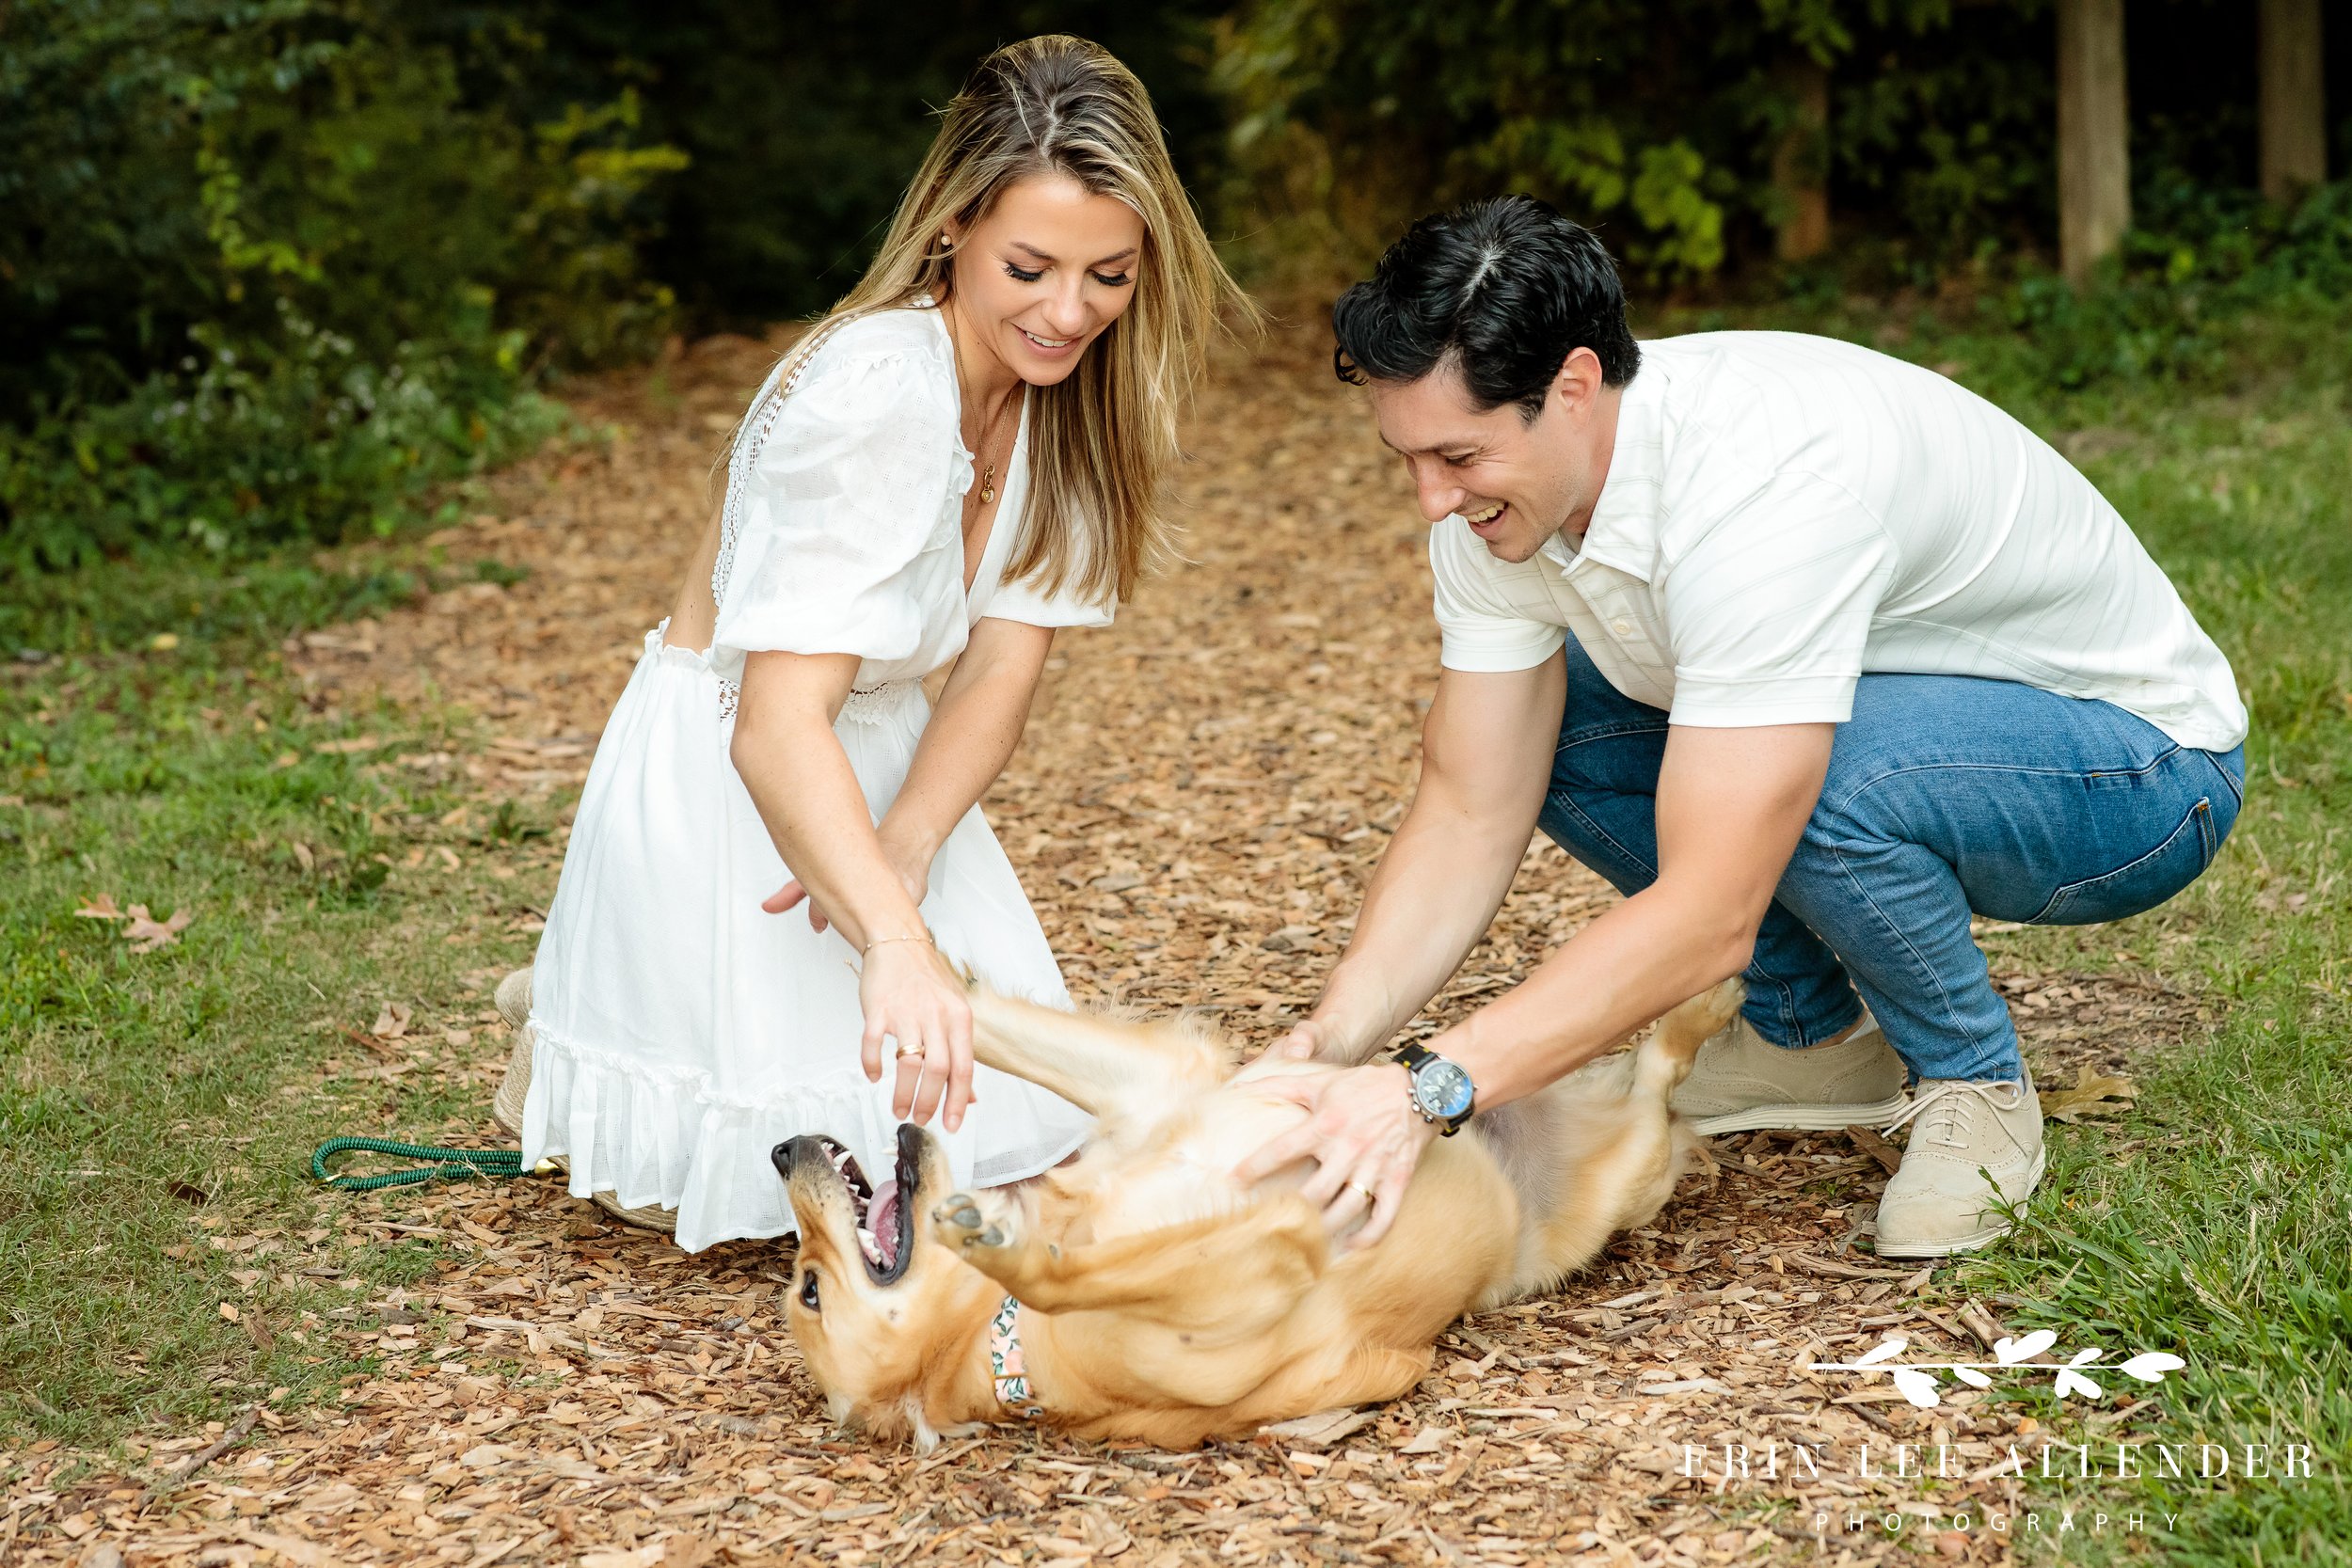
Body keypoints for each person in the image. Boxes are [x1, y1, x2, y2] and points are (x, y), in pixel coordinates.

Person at [1237, 195, 2245, 1259]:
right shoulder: (1499, 509)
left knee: (1818, 782)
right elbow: (1470, 802)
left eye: (1457, 457)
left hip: (2134, 768)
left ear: (1572, 387)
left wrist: (1429, 1087)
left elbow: (1711, 907)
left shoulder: (1759, 491)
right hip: (1909, 712)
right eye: (1408, 458)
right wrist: (1328, 1037)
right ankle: (1805, 1041)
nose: (1430, 500)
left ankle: (1973, 1081)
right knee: (1555, 731)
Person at [495, 35, 1253, 1252]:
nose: (1070, 312)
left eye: (1109, 274)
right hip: (733, 773)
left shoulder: (1068, 399)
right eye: (1032, 266)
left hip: (885, 764)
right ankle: (609, 981)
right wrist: (894, 942)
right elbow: (772, 724)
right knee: (815, 1180)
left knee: (1025, 1142)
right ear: (953, 226)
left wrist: (902, 853)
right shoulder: (879, 391)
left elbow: (1002, 667)